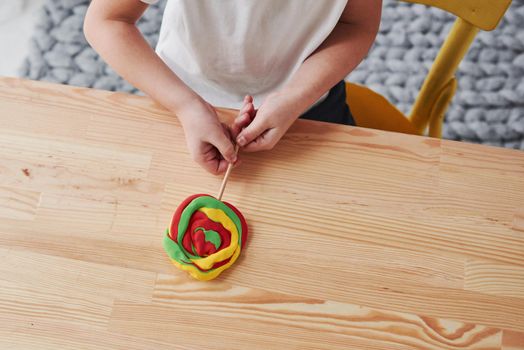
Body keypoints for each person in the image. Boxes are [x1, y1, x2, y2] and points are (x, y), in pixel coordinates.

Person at [84, 0, 382, 174]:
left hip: (308, 102)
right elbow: (107, 20)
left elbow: (355, 25)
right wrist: (186, 106)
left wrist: (295, 96)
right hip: (179, 96)